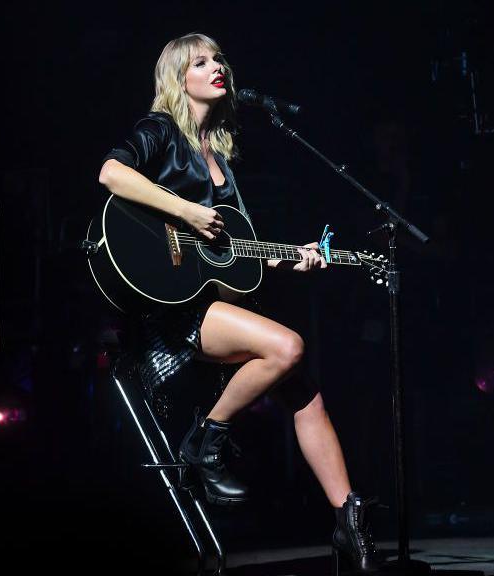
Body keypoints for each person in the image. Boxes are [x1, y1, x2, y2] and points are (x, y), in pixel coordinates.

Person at [97, 33, 378, 571]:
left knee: (307, 395)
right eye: (200, 62)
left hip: (210, 300)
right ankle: (203, 442)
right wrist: (186, 211)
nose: (216, 66)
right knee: (288, 346)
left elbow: (233, 256)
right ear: (180, 79)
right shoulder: (160, 131)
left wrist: (292, 256)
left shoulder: (220, 151)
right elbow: (111, 173)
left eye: (218, 58)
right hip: (170, 313)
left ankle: (349, 523)